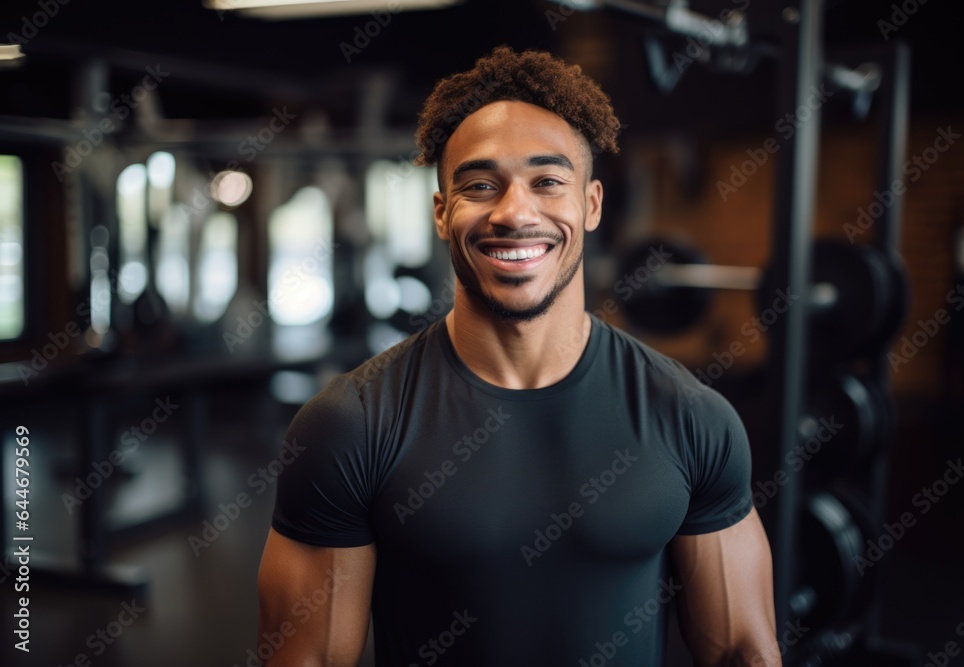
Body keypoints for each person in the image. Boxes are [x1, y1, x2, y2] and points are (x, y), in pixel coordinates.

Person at [257, 45, 779, 666]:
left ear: (590, 205)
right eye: (480, 185)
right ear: (443, 214)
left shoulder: (692, 417)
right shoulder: (350, 425)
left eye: (548, 181)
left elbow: (744, 651)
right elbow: (305, 660)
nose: (513, 211)